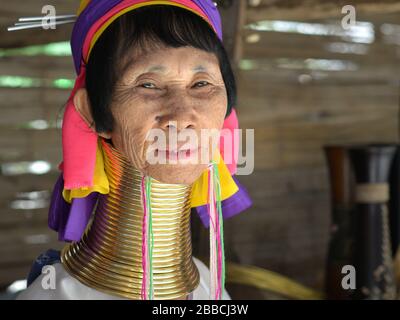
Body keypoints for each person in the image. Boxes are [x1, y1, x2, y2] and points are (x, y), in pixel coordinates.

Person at [16, 0, 252, 300]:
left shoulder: (207, 286)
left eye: (202, 83)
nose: (181, 116)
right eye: (148, 85)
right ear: (93, 112)